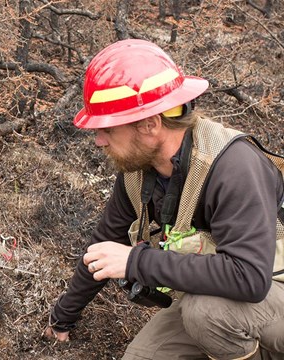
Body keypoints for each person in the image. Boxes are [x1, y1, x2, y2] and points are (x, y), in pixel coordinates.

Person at [43, 39, 284, 359]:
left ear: (150, 124)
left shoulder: (234, 167)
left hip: (269, 285)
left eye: (108, 130)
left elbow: (248, 278)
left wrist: (135, 262)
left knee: (205, 314)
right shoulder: (140, 169)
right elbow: (106, 240)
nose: (99, 141)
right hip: (221, 296)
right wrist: (63, 316)